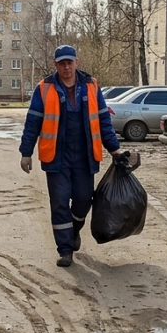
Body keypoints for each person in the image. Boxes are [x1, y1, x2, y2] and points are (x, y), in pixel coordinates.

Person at [18, 45, 123, 267]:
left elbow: (103, 121)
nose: (66, 67)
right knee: (59, 203)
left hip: (85, 155)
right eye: (61, 63)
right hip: (57, 157)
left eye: (70, 62)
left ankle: (74, 229)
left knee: (84, 199)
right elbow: (33, 122)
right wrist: (25, 152)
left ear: (77, 62)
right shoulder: (44, 88)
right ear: (55, 65)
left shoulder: (91, 86)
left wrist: (115, 149)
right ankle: (65, 249)